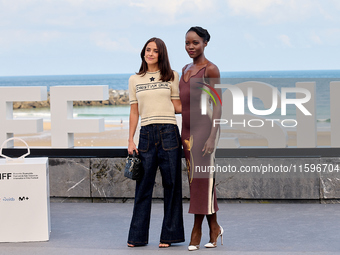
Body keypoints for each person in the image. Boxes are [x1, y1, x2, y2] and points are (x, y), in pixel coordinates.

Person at [127, 37, 184, 248]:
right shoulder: (135, 79)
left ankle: (169, 237)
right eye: (148, 50)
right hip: (146, 136)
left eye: (155, 51)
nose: (150, 53)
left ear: (161, 54)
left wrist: (198, 103)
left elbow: (177, 106)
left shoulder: (171, 76)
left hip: (169, 132)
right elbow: (134, 112)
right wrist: (130, 140)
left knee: (172, 185)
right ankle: (137, 237)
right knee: (143, 187)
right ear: (143, 52)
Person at [179, 26, 223, 251]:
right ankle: (214, 226)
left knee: (201, 181)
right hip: (185, 132)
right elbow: (181, 104)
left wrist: (213, 136)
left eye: (195, 42)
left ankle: (197, 230)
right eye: (187, 43)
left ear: (205, 43)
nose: (190, 47)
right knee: (197, 182)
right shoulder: (185, 68)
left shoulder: (210, 69)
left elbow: (217, 106)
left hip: (205, 131)